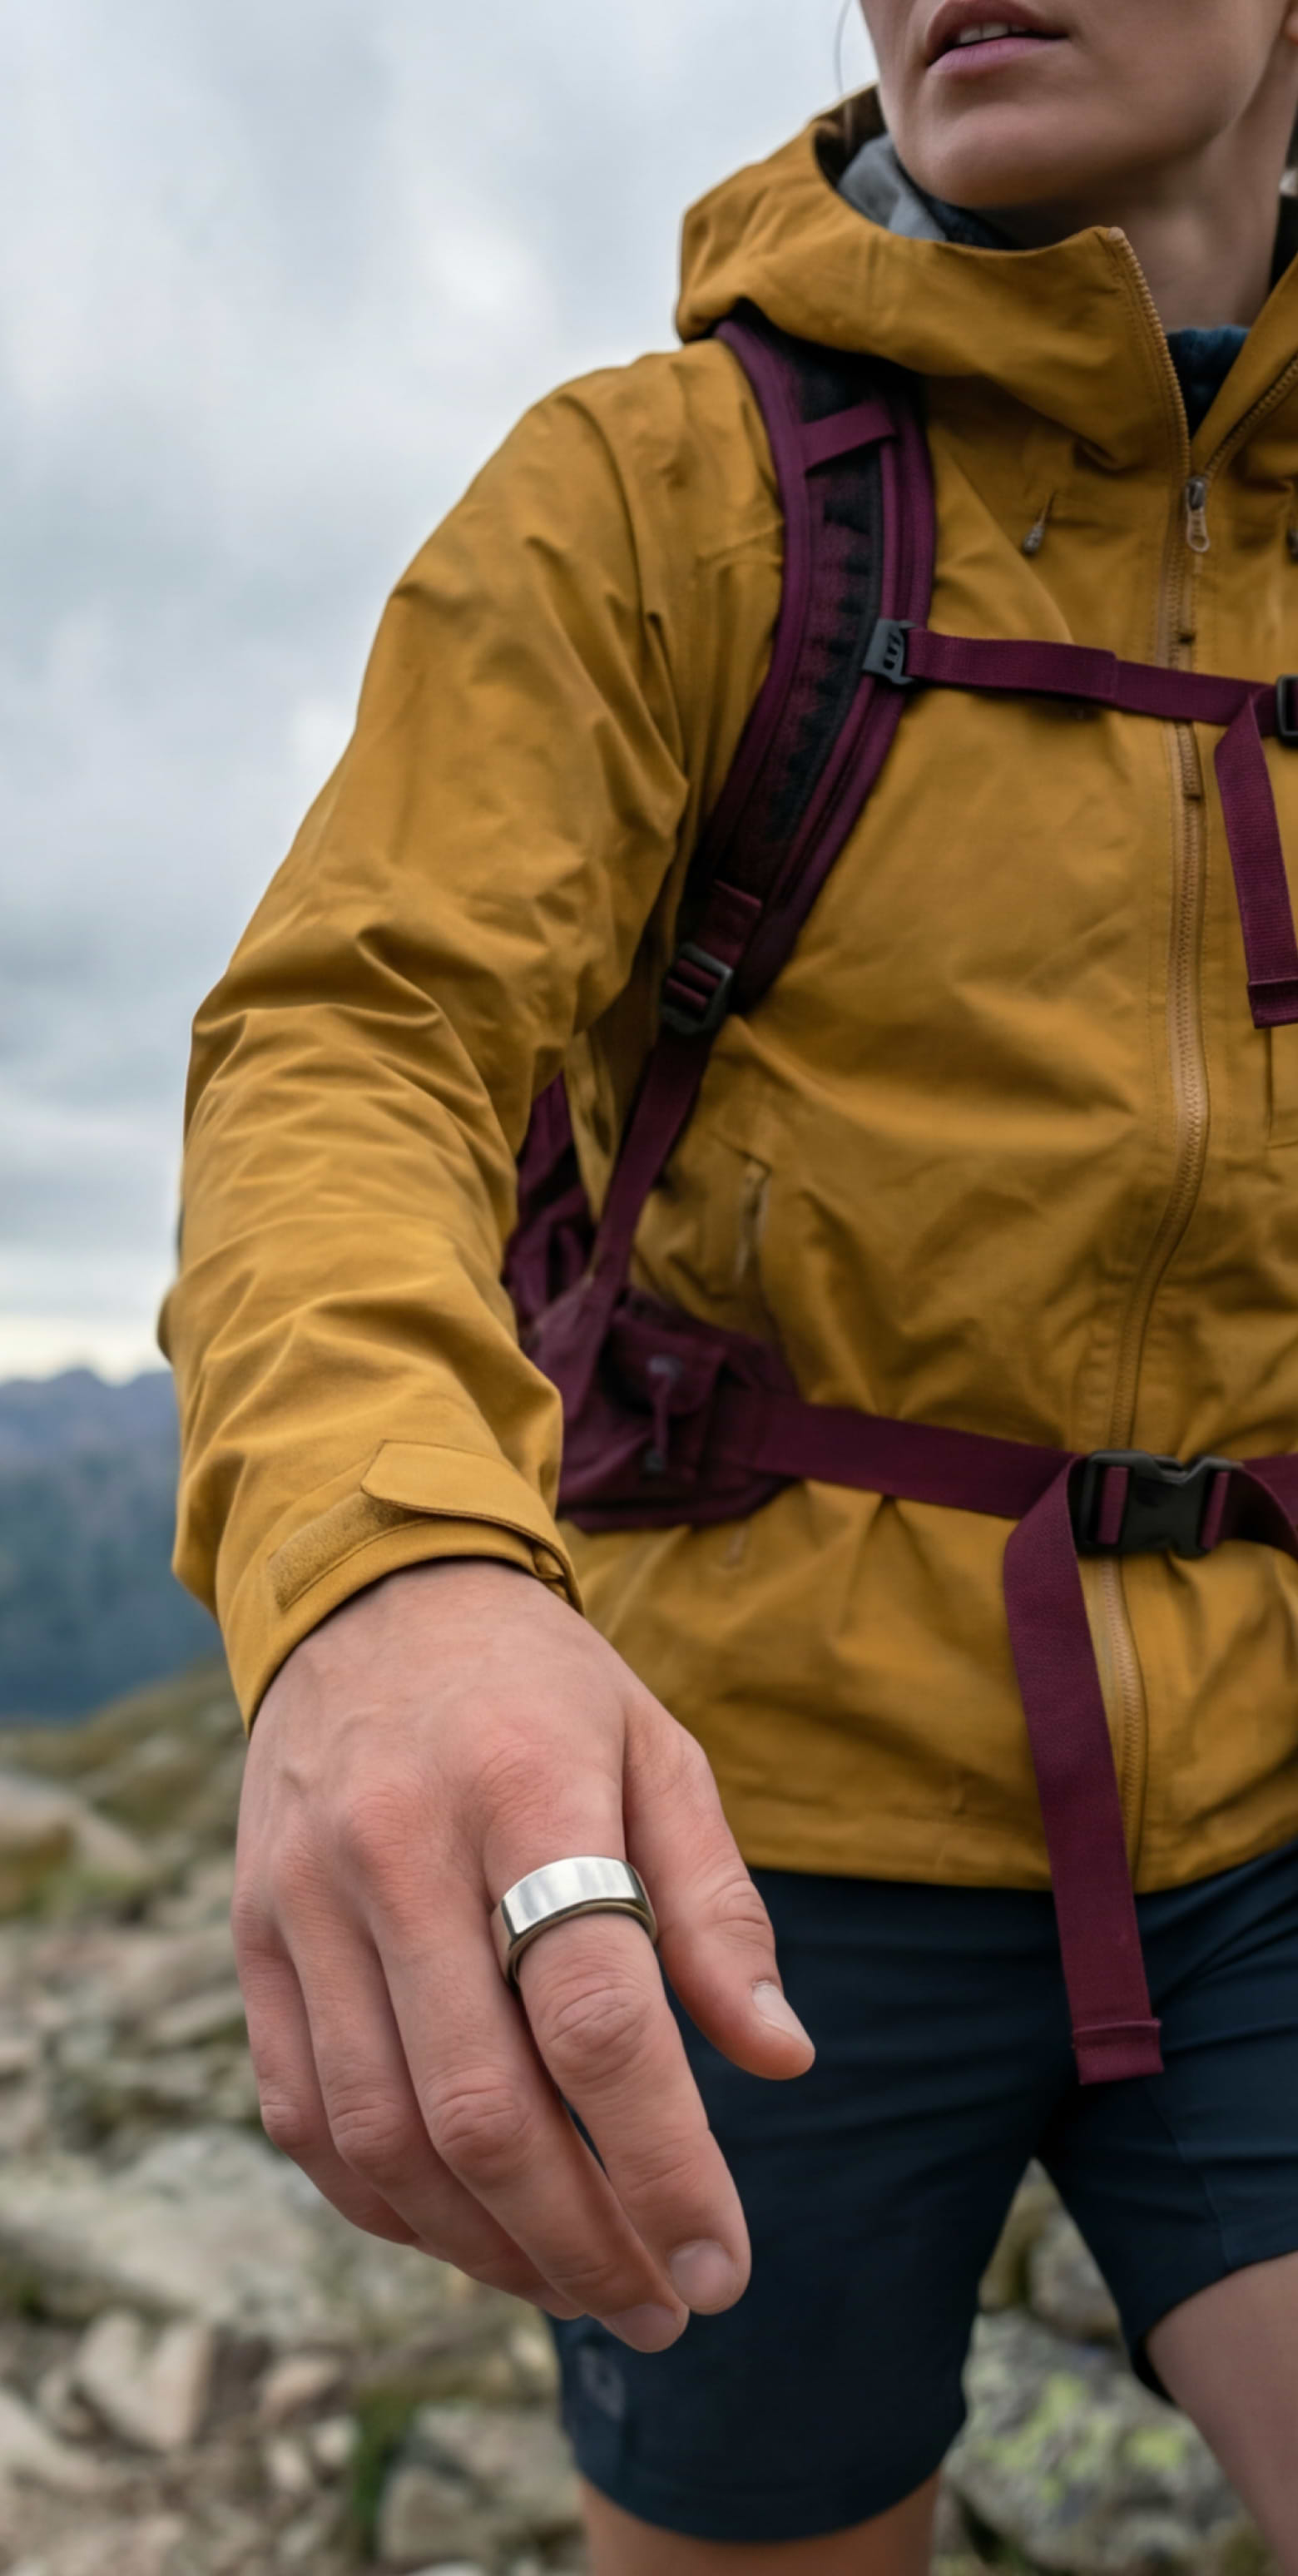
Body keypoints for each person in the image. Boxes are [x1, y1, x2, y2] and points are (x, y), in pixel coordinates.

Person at [162, 5, 1298, 2568]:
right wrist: (395, 1571)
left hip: (1269, 1799)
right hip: (754, 1848)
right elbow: (356, 1047)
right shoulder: (661, 495)